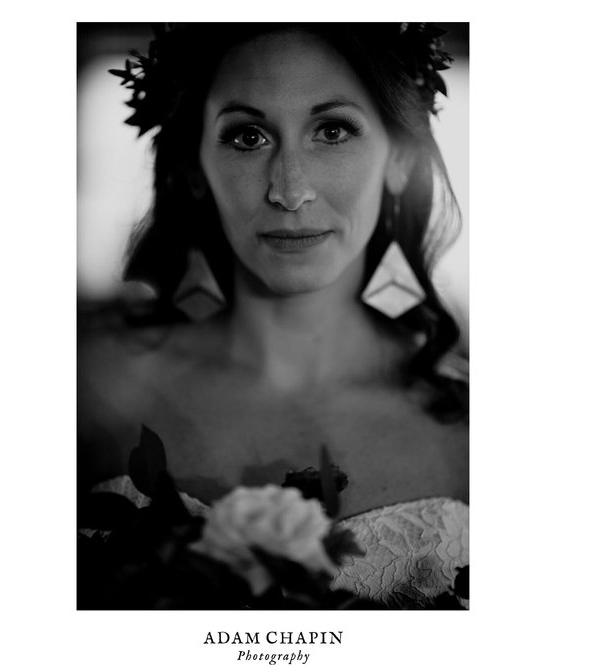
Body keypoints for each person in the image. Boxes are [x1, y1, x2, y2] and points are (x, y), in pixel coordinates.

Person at [78, 23, 469, 609]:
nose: (290, 190)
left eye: (332, 130)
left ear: (401, 163)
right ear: (193, 170)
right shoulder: (89, 387)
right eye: (247, 136)